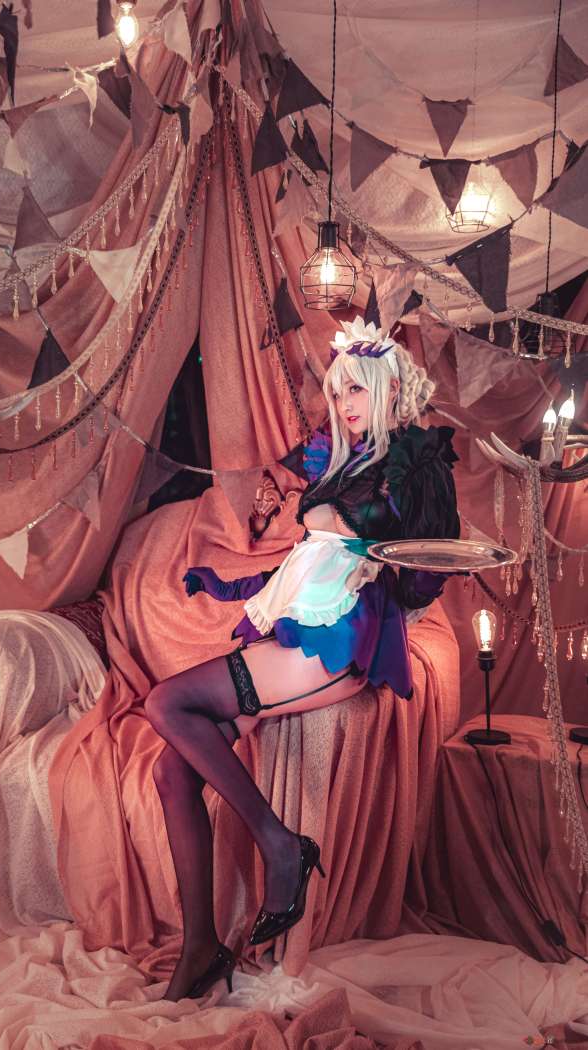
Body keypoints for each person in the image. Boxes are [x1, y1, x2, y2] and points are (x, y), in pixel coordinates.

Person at [144, 316, 460, 1002]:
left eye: (357, 389)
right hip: (304, 625)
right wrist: (230, 583)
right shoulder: (348, 462)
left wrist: (379, 567)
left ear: (388, 387)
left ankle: (280, 844)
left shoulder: (417, 461)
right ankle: (200, 949)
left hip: (341, 639)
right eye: (338, 391)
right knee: (171, 772)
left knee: (164, 702)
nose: (344, 404)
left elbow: (420, 562)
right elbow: (307, 561)